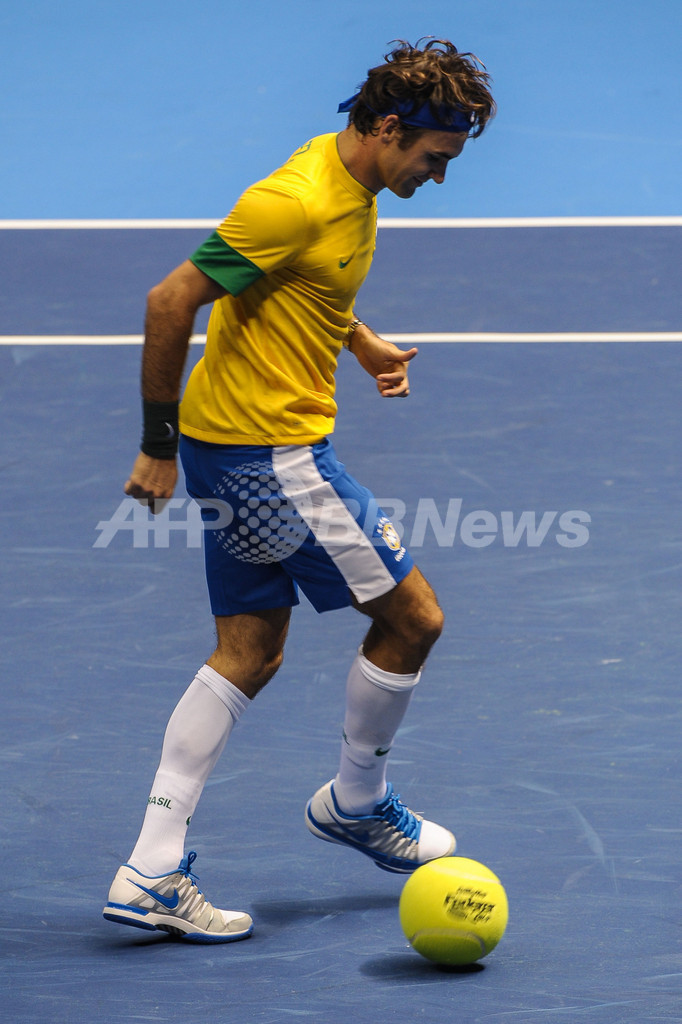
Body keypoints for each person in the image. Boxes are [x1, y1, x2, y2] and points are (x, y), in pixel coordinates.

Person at [103, 38, 495, 943]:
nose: (439, 177)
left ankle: (151, 869)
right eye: (435, 157)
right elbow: (170, 301)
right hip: (269, 456)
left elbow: (299, 281)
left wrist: (356, 338)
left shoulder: (344, 178)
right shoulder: (296, 200)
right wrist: (155, 447)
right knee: (414, 619)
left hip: (231, 447)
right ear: (389, 128)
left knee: (247, 652)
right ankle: (356, 801)